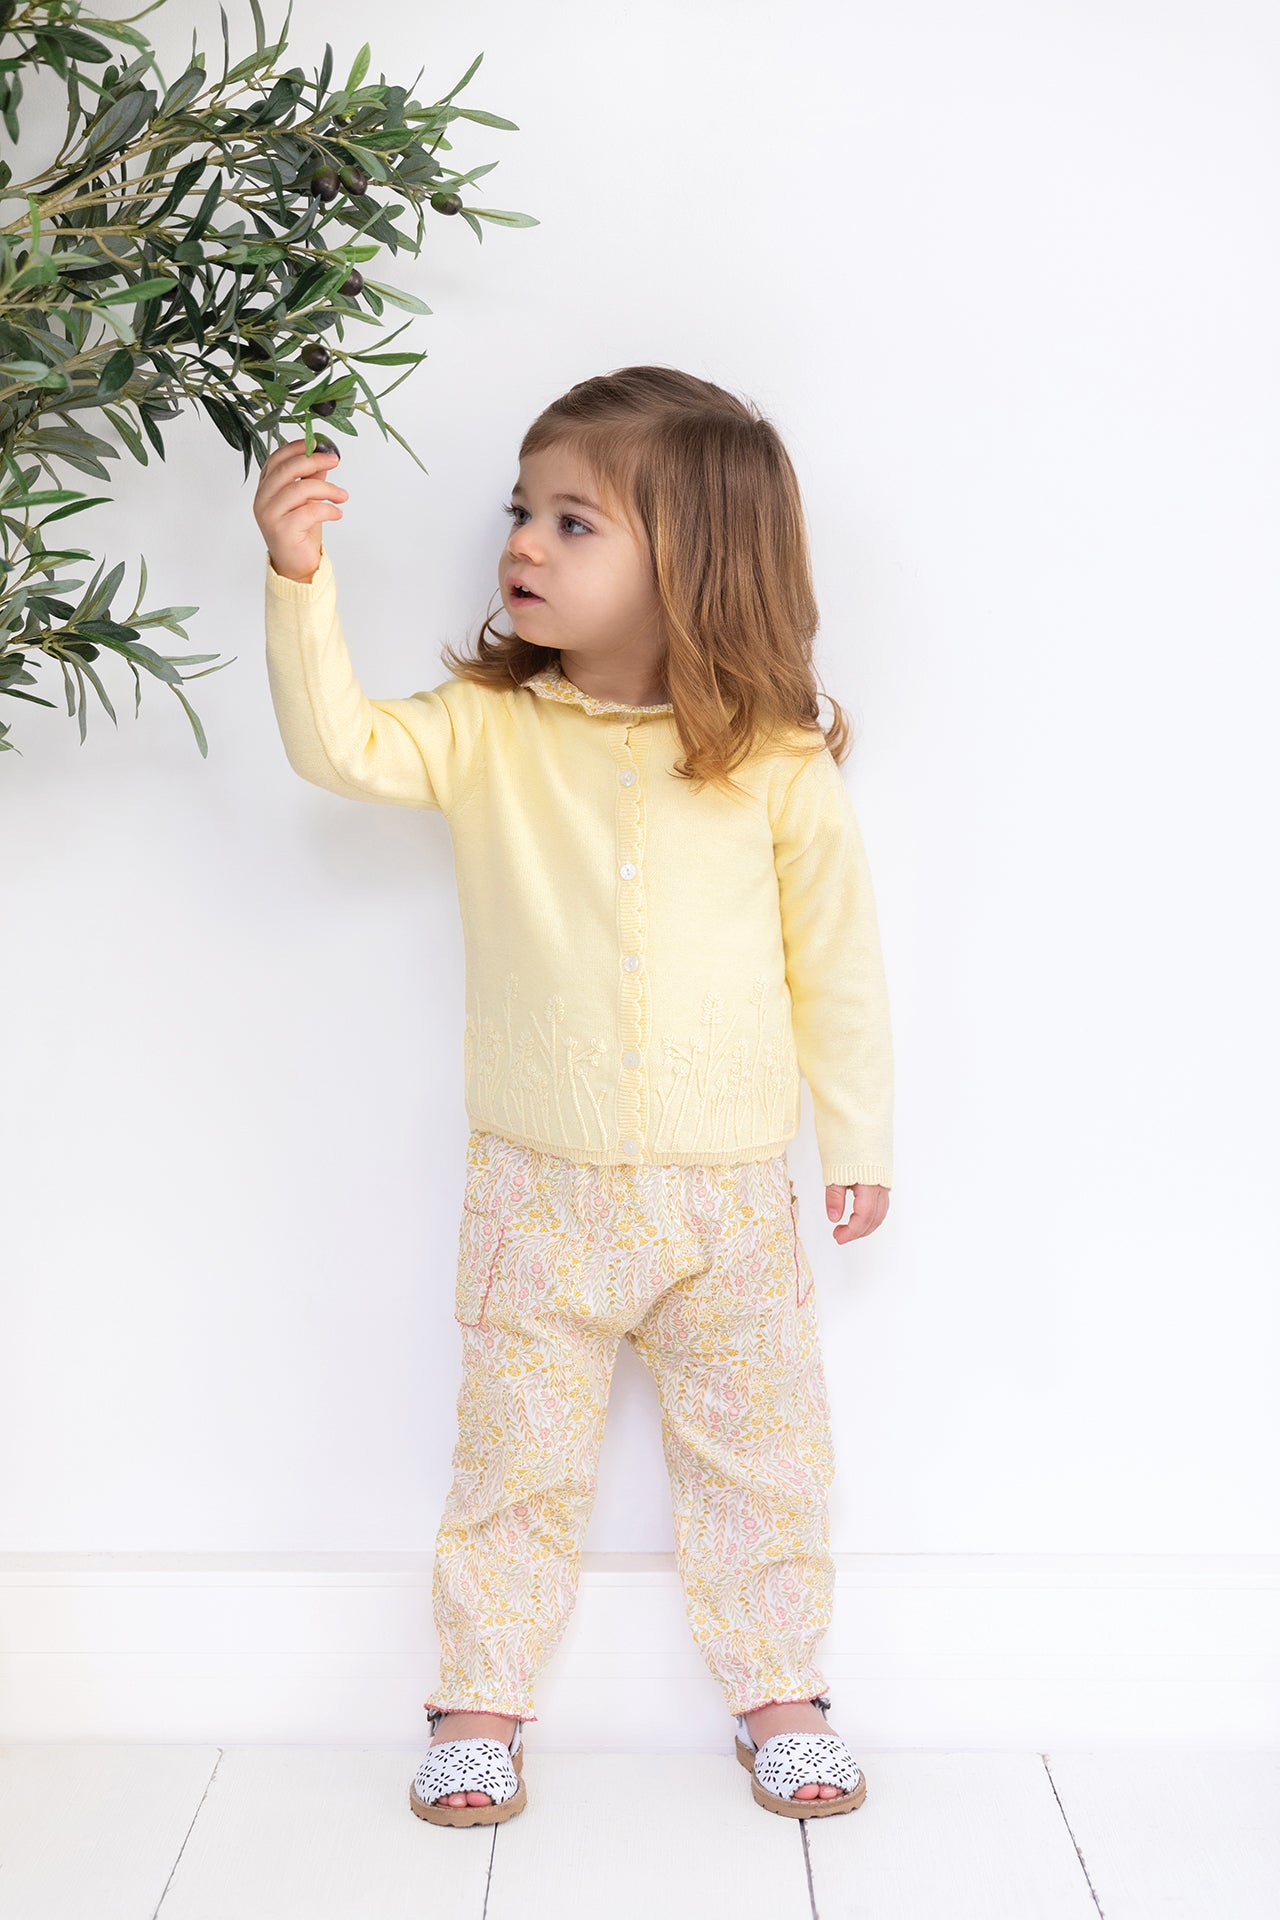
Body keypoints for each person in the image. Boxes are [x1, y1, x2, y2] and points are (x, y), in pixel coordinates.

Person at [254, 366, 893, 1827]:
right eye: (521, 512)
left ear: (696, 562)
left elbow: (838, 964)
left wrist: (858, 1138)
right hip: (535, 1191)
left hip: (731, 1198)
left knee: (764, 1461)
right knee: (513, 1466)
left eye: (573, 521)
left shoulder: (777, 764)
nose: (524, 544)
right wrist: (299, 581)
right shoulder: (488, 730)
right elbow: (340, 746)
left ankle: (781, 1688)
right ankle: (477, 1701)